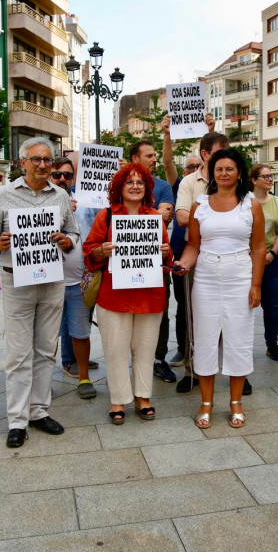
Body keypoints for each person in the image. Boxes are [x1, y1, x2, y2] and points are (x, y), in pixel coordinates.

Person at [0, 136, 79, 448]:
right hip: (15, 279)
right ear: (22, 163)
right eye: (36, 159)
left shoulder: (60, 196)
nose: (43, 165)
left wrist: (67, 241)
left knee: (46, 348)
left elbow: (73, 230)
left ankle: (38, 411)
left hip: (51, 279)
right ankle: (17, 420)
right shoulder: (5, 195)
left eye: (47, 159)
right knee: (19, 353)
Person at [175, 149, 266, 428]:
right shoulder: (199, 205)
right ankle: (206, 402)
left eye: (229, 168)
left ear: (240, 172)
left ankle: (236, 402)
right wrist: (183, 264)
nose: (224, 173)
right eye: (218, 169)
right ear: (212, 173)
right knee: (204, 339)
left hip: (240, 275)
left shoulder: (251, 205)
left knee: (238, 339)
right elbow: (193, 245)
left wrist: (255, 285)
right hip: (205, 277)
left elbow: (259, 247)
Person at [83, 162, 173, 424]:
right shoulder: (106, 215)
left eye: (140, 182)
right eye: (129, 182)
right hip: (114, 297)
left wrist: (167, 253)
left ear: (147, 188)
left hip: (149, 295)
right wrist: (102, 251)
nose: (135, 186)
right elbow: (89, 249)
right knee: (115, 350)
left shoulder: (155, 217)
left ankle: (143, 396)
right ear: (119, 188)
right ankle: (118, 399)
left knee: (146, 349)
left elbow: (167, 255)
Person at [174, 124, 229, 393]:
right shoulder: (188, 182)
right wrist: (219, 217)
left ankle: (234, 370)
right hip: (197, 255)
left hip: (230, 256)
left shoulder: (233, 179)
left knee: (232, 316)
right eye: (221, 153)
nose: (226, 158)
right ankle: (190, 370)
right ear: (206, 155)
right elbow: (181, 216)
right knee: (193, 316)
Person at [127, 140, 177, 384]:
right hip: (126, 263)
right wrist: (154, 213)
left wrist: (151, 214)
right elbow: (117, 215)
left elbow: (165, 217)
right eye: (149, 155)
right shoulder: (120, 183)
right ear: (135, 159)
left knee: (161, 312)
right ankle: (135, 357)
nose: (155, 159)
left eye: (156, 154)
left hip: (157, 261)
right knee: (128, 313)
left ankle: (158, 359)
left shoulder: (163, 186)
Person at [50, 156, 96, 399]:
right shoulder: (39, 201)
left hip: (78, 278)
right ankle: (43, 378)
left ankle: (84, 377)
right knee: (47, 335)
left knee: (81, 330)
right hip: (48, 282)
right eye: (57, 174)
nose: (62, 179)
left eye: (67, 175)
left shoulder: (85, 201)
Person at [168, 154, 203, 367]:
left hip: (206, 255)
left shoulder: (212, 185)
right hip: (182, 255)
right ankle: (183, 348)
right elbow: (167, 163)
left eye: (198, 166)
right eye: (191, 166)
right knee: (183, 305)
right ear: (184, 171)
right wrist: (167, 135)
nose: (195, 169)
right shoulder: (181, 186)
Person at [250, 163, 278, 361]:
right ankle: (242, 345)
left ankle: (271, 343)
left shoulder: (277, 202)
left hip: (272, 259)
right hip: (248, 260)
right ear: (254, 180)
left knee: (272, 304)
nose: (269, 179)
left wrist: (273, 252)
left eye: (270, 176)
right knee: (245, 303)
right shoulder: (245, 202)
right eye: (264, 176)